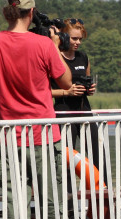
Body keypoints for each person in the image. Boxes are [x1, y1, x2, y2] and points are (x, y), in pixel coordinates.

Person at [0, 0, 74, 219]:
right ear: (31, 12)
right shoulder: (44, 44)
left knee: (14, 202)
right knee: (49, 198)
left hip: (8, 133)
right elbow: (66, 82)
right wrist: (55, 47)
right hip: (42, 133)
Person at [52, 18, 100, 170]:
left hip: (83, 107)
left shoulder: (83, 57)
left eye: (80, 39)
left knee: (96, 150)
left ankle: (102, 187)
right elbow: (43, 92)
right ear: (64, 37)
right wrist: (67, 92)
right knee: (66, 153)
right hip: (63, 109)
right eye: (74, 38)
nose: (78, 42)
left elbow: (86, 79)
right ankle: (67, 191)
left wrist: (90, 89)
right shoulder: (54, 57)